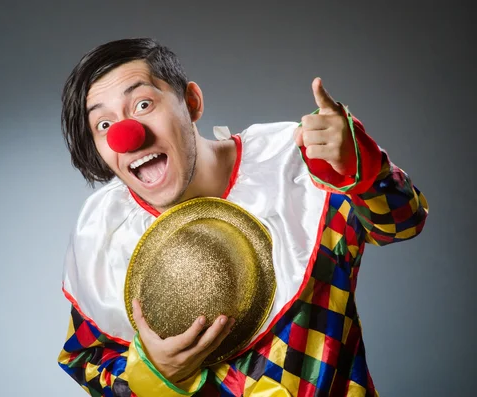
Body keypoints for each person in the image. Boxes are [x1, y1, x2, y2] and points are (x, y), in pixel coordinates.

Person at [57, 38, 428, 396]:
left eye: (142, 105)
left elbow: (403, 222)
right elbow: (87, 360)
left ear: (191, 102)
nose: (127, 135)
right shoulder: (105, 232)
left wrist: (363, 169)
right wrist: (153, 376)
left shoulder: (297, 160)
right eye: (103, 124)